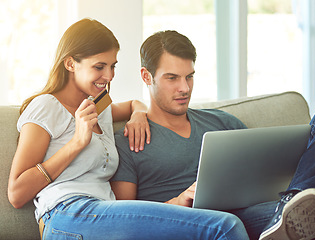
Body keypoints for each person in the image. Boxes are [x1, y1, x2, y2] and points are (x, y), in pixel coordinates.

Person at [8, 19, 250, 240]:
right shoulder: (46, 106)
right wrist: (77, 142)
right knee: (223, 227)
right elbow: (17, 194)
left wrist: (138, 113)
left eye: (113, 66)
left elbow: (134, 103)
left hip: (105, 212)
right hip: (66, 213)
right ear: (70, 63)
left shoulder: (98, 106)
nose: (109, 76)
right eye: (99, 67)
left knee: (223, 223)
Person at [111, 30, 315, 240]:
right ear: (146, 76)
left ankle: (292, 202)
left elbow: (260, 168)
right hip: (201, 224)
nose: (184, 88)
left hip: (254, 211)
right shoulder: (128, 140)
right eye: (172, 78)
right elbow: (125, 220)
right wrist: (178, 202)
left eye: (189, 76)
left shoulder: (221, 122)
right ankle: (291, 211)